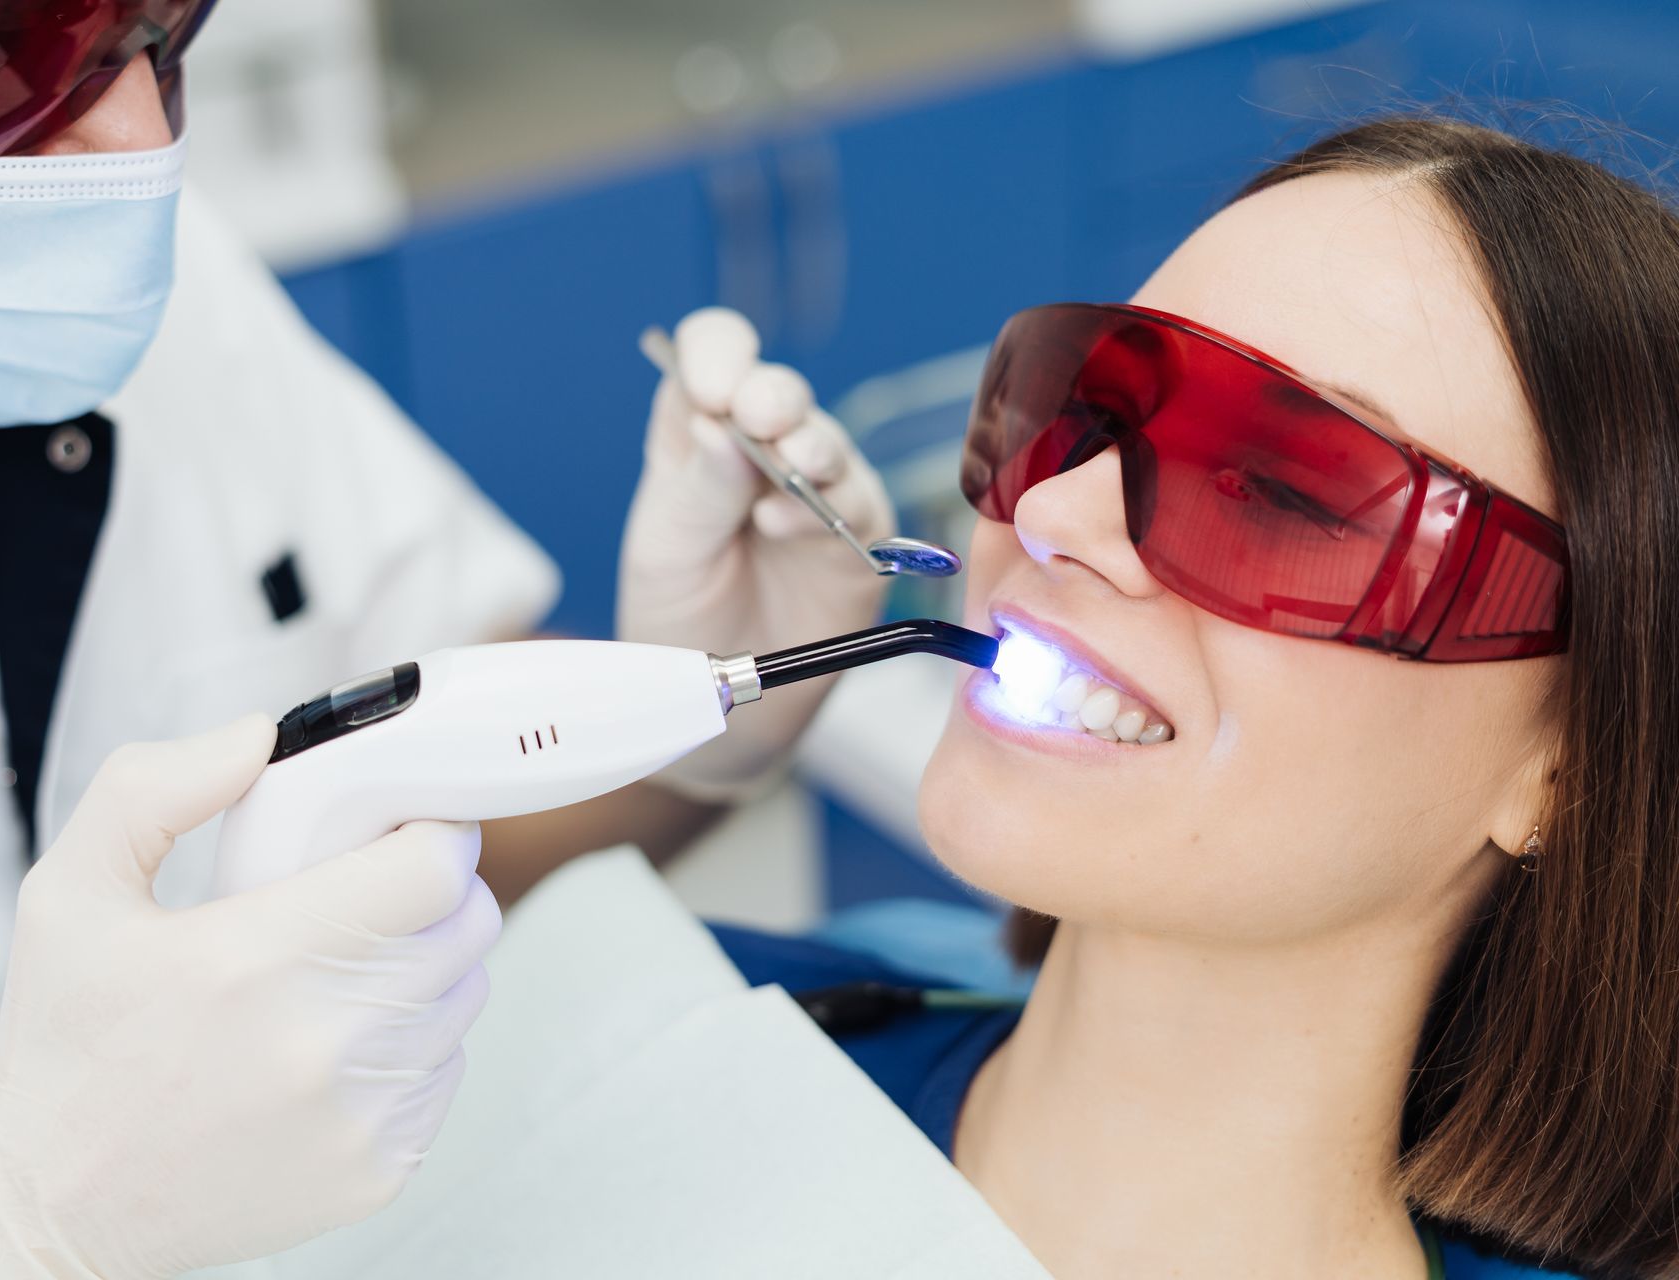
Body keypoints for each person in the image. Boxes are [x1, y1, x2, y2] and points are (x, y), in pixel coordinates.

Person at [0, 3, 894, 1275]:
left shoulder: (116, 285)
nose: (139, 142)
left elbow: (437, 824)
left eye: (150, 31)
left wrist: (689, 738)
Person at [716, 115, 1679, 1280]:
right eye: (1085, 410)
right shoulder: (701, 1014)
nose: (1053, 514)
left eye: (1280, 492)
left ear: (1567, 765)